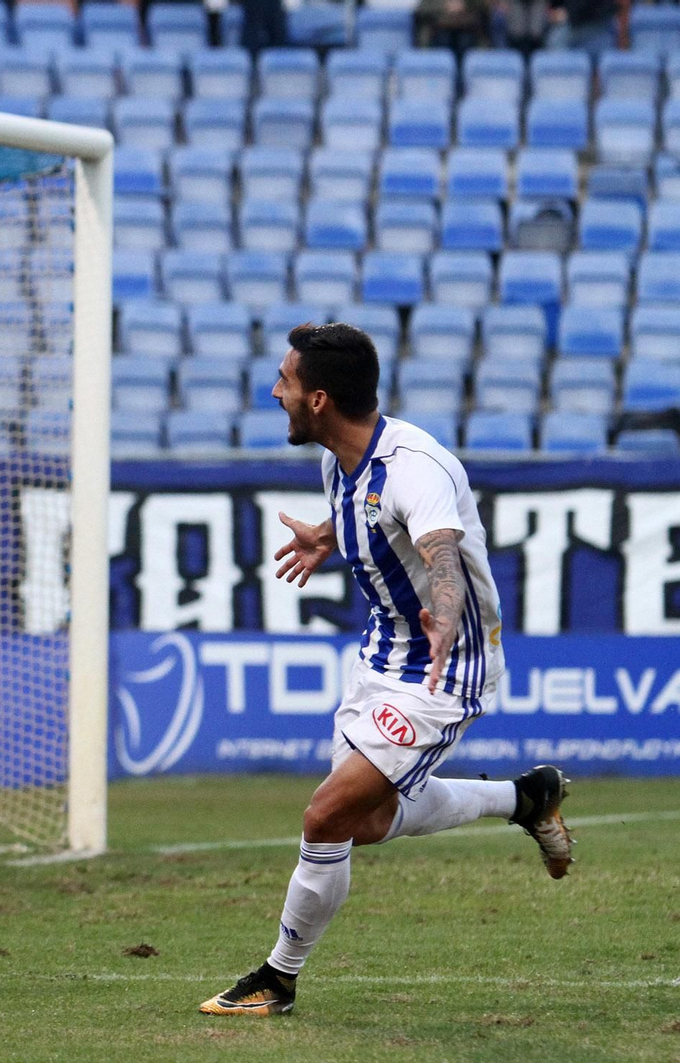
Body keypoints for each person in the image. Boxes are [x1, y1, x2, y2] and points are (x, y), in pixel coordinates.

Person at [199, 322, 575, 1018]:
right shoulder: (339, 459)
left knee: (325, 814)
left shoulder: (416, 467)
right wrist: (324, 534)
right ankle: (525, 799)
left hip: (444, 667)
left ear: (317, 400)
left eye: (284, 380)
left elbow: (439, 549)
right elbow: (369, 517)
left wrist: (443, 611)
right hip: (379, 657)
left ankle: (277, 979)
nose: (273, 390)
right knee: (363, 824)